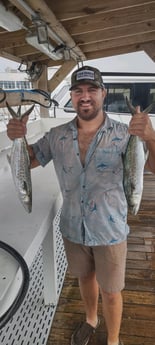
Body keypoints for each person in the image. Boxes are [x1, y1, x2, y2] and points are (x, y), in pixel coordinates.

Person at [7, 65, 155, 345]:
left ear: (103, 94)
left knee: (111, 291)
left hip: (110, 230)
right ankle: (90, 319)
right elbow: (31, 160)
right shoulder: (57, 136)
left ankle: (113, 339)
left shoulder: (125, 134)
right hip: (73, 227)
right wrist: (17, 136)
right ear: (72, 97)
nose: (84, 96)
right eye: (78, 91)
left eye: (91, 90)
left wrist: (150, 137)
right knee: (85, 279)